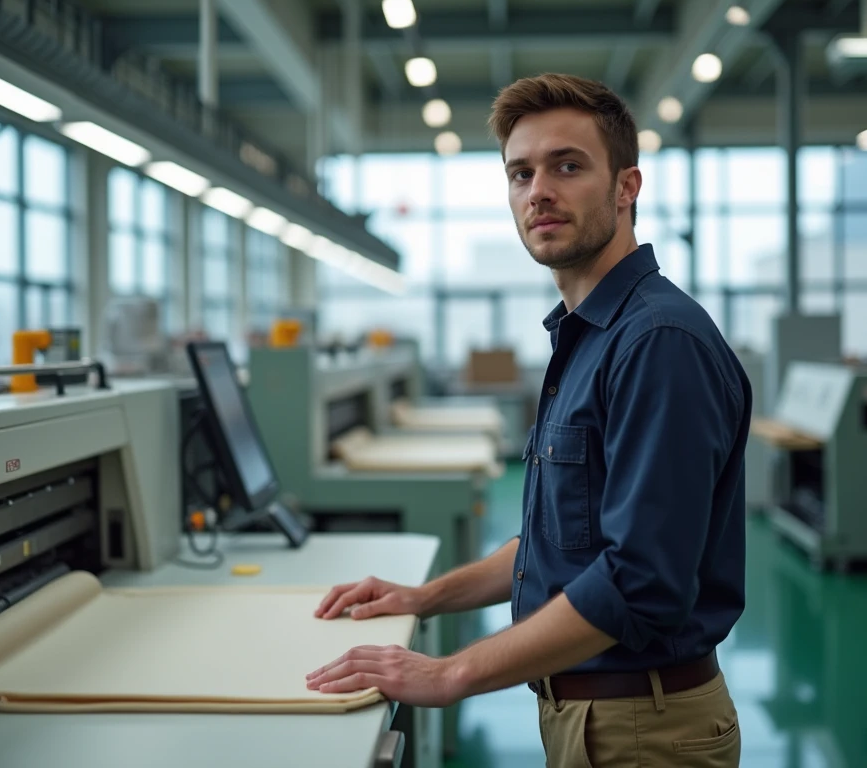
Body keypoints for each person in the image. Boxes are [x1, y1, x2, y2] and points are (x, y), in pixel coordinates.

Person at [306, 74, 751, 767]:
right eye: (521, 173)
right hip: (597, 717)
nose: (538, 190)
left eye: (567, 166)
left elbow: (639, 581)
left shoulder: (657, 342)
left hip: (642, 731)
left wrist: (452, 673)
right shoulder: (589, 336)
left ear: (626, 187)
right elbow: (560, 543)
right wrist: (424, 598)